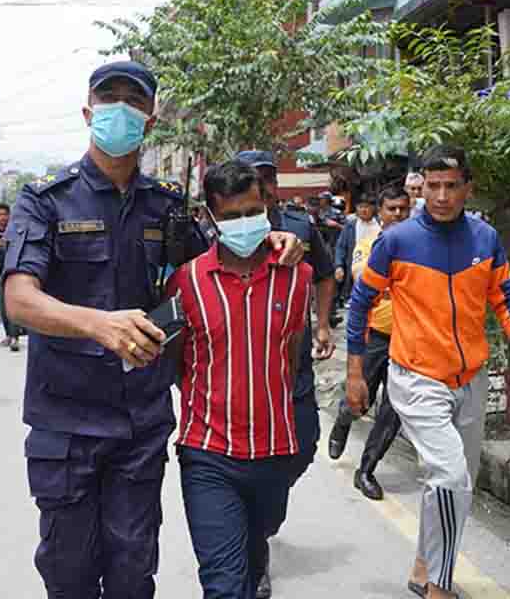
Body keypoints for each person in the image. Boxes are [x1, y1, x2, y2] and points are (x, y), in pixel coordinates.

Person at [3, 62, 301, 599]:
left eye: (133, 100)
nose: (120, 108)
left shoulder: (167, 206)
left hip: (138, 423)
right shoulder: (45, 201)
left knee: (133, 572)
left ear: (151, 119)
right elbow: (19, 299)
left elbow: (221, 267)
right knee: (68, 573)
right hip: (65, 423)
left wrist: (278, 246)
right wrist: (98, 325)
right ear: (88, 112)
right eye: (109, 97)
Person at [346, 145, 510, 599]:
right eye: (433, 186)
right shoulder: (397, 241)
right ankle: (441, 588)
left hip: (470, 380)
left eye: (451, 186)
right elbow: (362, 301)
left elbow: (506, 301)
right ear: (421, 186)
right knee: (449, 478)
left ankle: (423, 567)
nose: (442, 195)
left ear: (468, 187)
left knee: (451, 484)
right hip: (415, 377)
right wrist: (355, 371)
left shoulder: (484, 239)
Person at [169, 161, 313, 599]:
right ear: (210, 219)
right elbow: (179, 365)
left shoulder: (297, 276)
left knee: (251, 571)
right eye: (230, 216)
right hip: (208, 456)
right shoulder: (187, 281)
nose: (243, 223)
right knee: (225, 588)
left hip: (274, 454)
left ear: (267, 205)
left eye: (251, 211)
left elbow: (290, 355)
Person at [234, 149, 336, 599]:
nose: (262, 185)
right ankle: (254, 561)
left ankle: (266, 515)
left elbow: (327, 274)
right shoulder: (224, 227)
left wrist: (322, 322)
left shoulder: (298, 225)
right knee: (251, 465)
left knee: (305, 443)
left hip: (293, 364)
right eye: (252, 178)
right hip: (244, 368)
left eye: (267, 177)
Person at [327, 185, 411, 500]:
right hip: (374, 335)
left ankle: (366, 470)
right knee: (359, 399)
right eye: (392, 209)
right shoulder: (368, 244)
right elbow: (362, 276)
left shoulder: (422, 246)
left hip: (408, 342)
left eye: (404, 209)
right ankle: (343, 420)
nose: (399, 215)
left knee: (393, 409)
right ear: (380, 212)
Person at [334, 194, 380, 309]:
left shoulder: (381, 224)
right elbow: (340, 247)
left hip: (377, 271)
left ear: (373, 208)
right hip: (355, 275)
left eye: (367, 207)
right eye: (360, 207)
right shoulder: (351, 226)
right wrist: (339, 266)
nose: (363, 210)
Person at [0, 203, 21, 352]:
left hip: (13, 274)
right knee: (3, 308)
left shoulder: (15, 230)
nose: (2, 218)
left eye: (5, 214)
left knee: (12, 307)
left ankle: (15, 336)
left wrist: (8, 244)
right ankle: (8, 334)